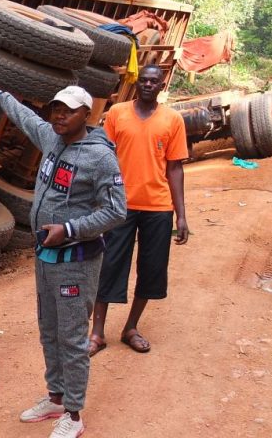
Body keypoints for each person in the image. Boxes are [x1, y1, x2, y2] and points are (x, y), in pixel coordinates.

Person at [0, 79, 126, 438]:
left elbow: (117, 211)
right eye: (56, 108)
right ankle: (56, 397)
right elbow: (24, 117)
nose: (59, 115)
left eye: (68, 111)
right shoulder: (51, 137)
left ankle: (73, 414)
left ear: (86, 114)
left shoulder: (100, 157)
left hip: (77, 261)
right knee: (49, 331)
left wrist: (69, 229)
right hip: (46, 258)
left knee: (72, 338)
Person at [89, 64, 189, 356]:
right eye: (143, 80)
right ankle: (97, 333)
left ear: (162, 85)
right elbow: (103, 157)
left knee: (151, 269)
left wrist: (181, 215)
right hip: (118, 206)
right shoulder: (117, 113)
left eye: (153, 81)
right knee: (109, 266)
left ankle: (130, 328)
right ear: (136, 83)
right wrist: (98, 199)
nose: (147, 84)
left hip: (158, 207)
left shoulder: (173, 119)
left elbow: (175, 168)